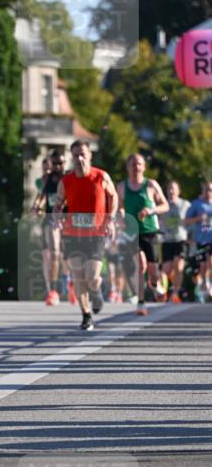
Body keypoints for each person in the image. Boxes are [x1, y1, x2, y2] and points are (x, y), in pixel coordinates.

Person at [52, 140, 118, 331]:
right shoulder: (66, 181)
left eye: (82, 154)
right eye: (75, 155)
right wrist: (57, 217)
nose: (79, 158)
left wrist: (110, 219)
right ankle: (86, 315)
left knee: (92, 277)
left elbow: (113, 197)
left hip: (96, 234)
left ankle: (96, 291)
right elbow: (58, 205)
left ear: (90, 155)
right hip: (73, 234)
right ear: (71, 158)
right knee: (78, 277)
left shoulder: (101, 176)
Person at [117, 154, 169, 316]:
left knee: (153, 271)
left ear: (144, 167)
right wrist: (121, 216)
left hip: (150, 232)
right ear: (127, 167)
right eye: (132, 164)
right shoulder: (121, 186)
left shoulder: (151, 185)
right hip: (132, 232)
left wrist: (151, 210)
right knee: (140, 264)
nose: (136, 167)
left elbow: (165, 205)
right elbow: (119, 207)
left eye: (139, 164)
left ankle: (155, 283)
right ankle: (141, 303)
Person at [30, 150, 66, 305]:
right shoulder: (47, 179)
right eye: (54, 163)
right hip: (51, 220)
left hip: (68, 221)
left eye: (60, 163)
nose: (57, 166)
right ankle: (53, 291)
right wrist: (36, 206)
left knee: (67, 257)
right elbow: (41, 196)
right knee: (53, 253)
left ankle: (70, 282)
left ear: (64, 163)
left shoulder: (69, 178)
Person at [160, 181, 190, 302]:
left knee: (179, 266)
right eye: (169, 189)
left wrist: (193, 235)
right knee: (166, 270)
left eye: (173, 189)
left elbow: (193, 220)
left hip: (180, 240)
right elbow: (157, 221)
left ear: (179, 191)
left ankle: (175, 293)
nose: (171, 191)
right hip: (167, 240)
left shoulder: (185, 205)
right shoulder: (163, 205)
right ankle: (163, 292)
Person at [184, 181, 212, 302]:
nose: (208, 192)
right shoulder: (196, 204)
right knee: (203, 265)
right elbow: (186, 221)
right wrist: (198, 218)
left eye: (210, 190)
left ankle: (207, 284)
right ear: (203, 191)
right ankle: (204, 284)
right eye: (206, 190)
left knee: (210, 262)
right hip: (201, 239)